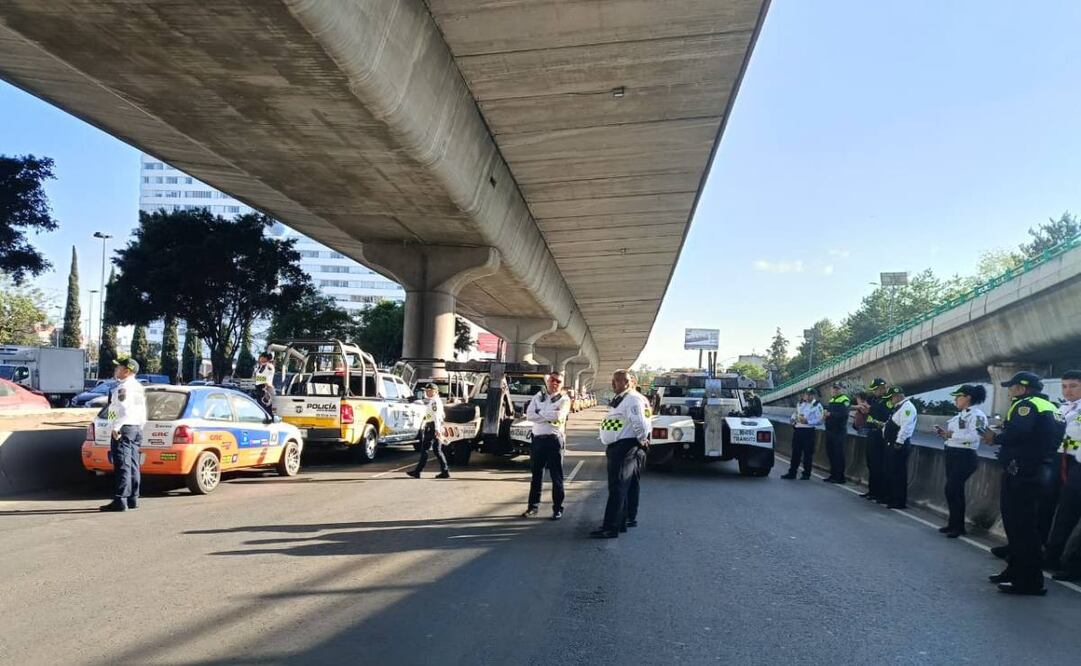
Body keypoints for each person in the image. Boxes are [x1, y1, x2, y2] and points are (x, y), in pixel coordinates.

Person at [982, 371, 1064, 596]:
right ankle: (1015, 570)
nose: (1010, 391)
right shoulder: (1052, 407)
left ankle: (1029, 581)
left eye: (1012, 387)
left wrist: (995, 438)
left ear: (1021, 388)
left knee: (1021, 528)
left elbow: (1019, 433)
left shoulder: (1026, 405)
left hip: (1023, 473)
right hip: (1040, 471)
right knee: (1023, 527)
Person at [591, 369, 650, 539]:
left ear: (629, 382)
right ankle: (622, 521)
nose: (614, 383)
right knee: (624, 487)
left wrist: (642, 439)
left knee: (617, 487)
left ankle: (610, 527)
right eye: (614, 379)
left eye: (618, 380)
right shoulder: (624, 398)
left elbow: (639, 422)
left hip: (625, 447)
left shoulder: (632, 399)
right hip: (621, 446)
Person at [935, 384, 988, 537]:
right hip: (952, 453)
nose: (955, 400)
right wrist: (945, 435)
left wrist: (952, 435)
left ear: (968, 398)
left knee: (951, 489)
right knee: (955, 491)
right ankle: (954, 524)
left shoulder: (977, 416)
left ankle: (958, 527)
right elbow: (955, 435)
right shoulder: (959, 416)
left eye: (958, 397)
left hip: (965, 456)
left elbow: (975, 437)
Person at [99, 356, 147, 512]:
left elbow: (121, 409)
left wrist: (115, 426)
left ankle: (121, 500)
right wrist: (140, 425)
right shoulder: (138, 387)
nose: (115, 370)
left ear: (127, 371)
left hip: (123, 428)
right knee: (133, 464)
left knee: (123, 465)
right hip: (135, 427)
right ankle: (133, 498)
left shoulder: (124, 387)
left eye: (118, 367)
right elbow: (140, 409)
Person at [1045, 370, 1081, 575]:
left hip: (1075, 462)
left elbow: (1073, 435)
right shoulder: (1062, 408)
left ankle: (1068, 562)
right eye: (1065, 386)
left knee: (1070, 511)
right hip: (1061, 459)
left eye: (1073, 386)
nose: (1068, 391)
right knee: (1056, 509)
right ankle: (1051, 555)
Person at [522, 371, 571, 520]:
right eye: (552, 380)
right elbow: (529, 414)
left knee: (556, 476)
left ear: (562, 384)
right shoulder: (538, 396)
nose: (554, 383)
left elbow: (557, 416)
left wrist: (540, 412)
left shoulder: (564, 399)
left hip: (554, 440)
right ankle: (533, 507)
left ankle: (557, 509)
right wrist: (547, 414)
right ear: (548, 381)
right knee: (536, 476)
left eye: (558, 381)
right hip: (538, 440)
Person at [856, 379, 891, 502]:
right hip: (871, 433)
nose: (874, 392)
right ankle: (872, 491)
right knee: (871, 464)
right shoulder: (873, 399)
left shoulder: (888, 400)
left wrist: (870, 410)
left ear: (882, 388)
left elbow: (886, 415)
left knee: (879, 465)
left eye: (876, 389)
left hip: (880, 435)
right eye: (874, 390)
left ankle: (880, 493)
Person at [882, 386, 917, 509]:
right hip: (891, 443)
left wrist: (899, 442)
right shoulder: (898, 407)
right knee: (890, 471)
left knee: (898, 473)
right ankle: (891, 497)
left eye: (891, 398)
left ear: (897, 396)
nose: (890, 400)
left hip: (898, 445)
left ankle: (898, 500)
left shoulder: (907, 408)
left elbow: (906, 427)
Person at [406, 383, 449, 479]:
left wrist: (437, 429)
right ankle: (445, 471)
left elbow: (436, 416)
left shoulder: (434, 402)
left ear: (436, 391)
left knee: (425, 450)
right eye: (427, 391)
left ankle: (417, 471)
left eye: (430, 391)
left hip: (433, 428)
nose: (428, 392)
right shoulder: (434, 401)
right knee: (437, 451)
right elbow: (437, 415)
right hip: (434, 426)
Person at [782, 388, 823, 480]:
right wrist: (792, 419)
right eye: (806, 394)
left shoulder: (817, 405)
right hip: (798, 430)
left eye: (810, 395)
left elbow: (820, 420)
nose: (807, 396)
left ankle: (806, 474)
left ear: (813, 396)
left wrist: (808, 422)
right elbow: (796, 413)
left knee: (807, 454)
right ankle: (792, 472)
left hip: (808, 431)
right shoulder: (800, 403)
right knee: (795, 453)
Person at [823, 383, 851, 483]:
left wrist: (830, 414)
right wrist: (825, 416)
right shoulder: (831, 400)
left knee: (838, 454)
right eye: (833, 389)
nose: (834, 391)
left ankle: (840, 477)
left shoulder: (845, 400)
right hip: (830, 431)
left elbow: (844, 414)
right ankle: (833, 474)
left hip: (839, 431)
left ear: (841, 390)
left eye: (837, 389)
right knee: (831, 453)